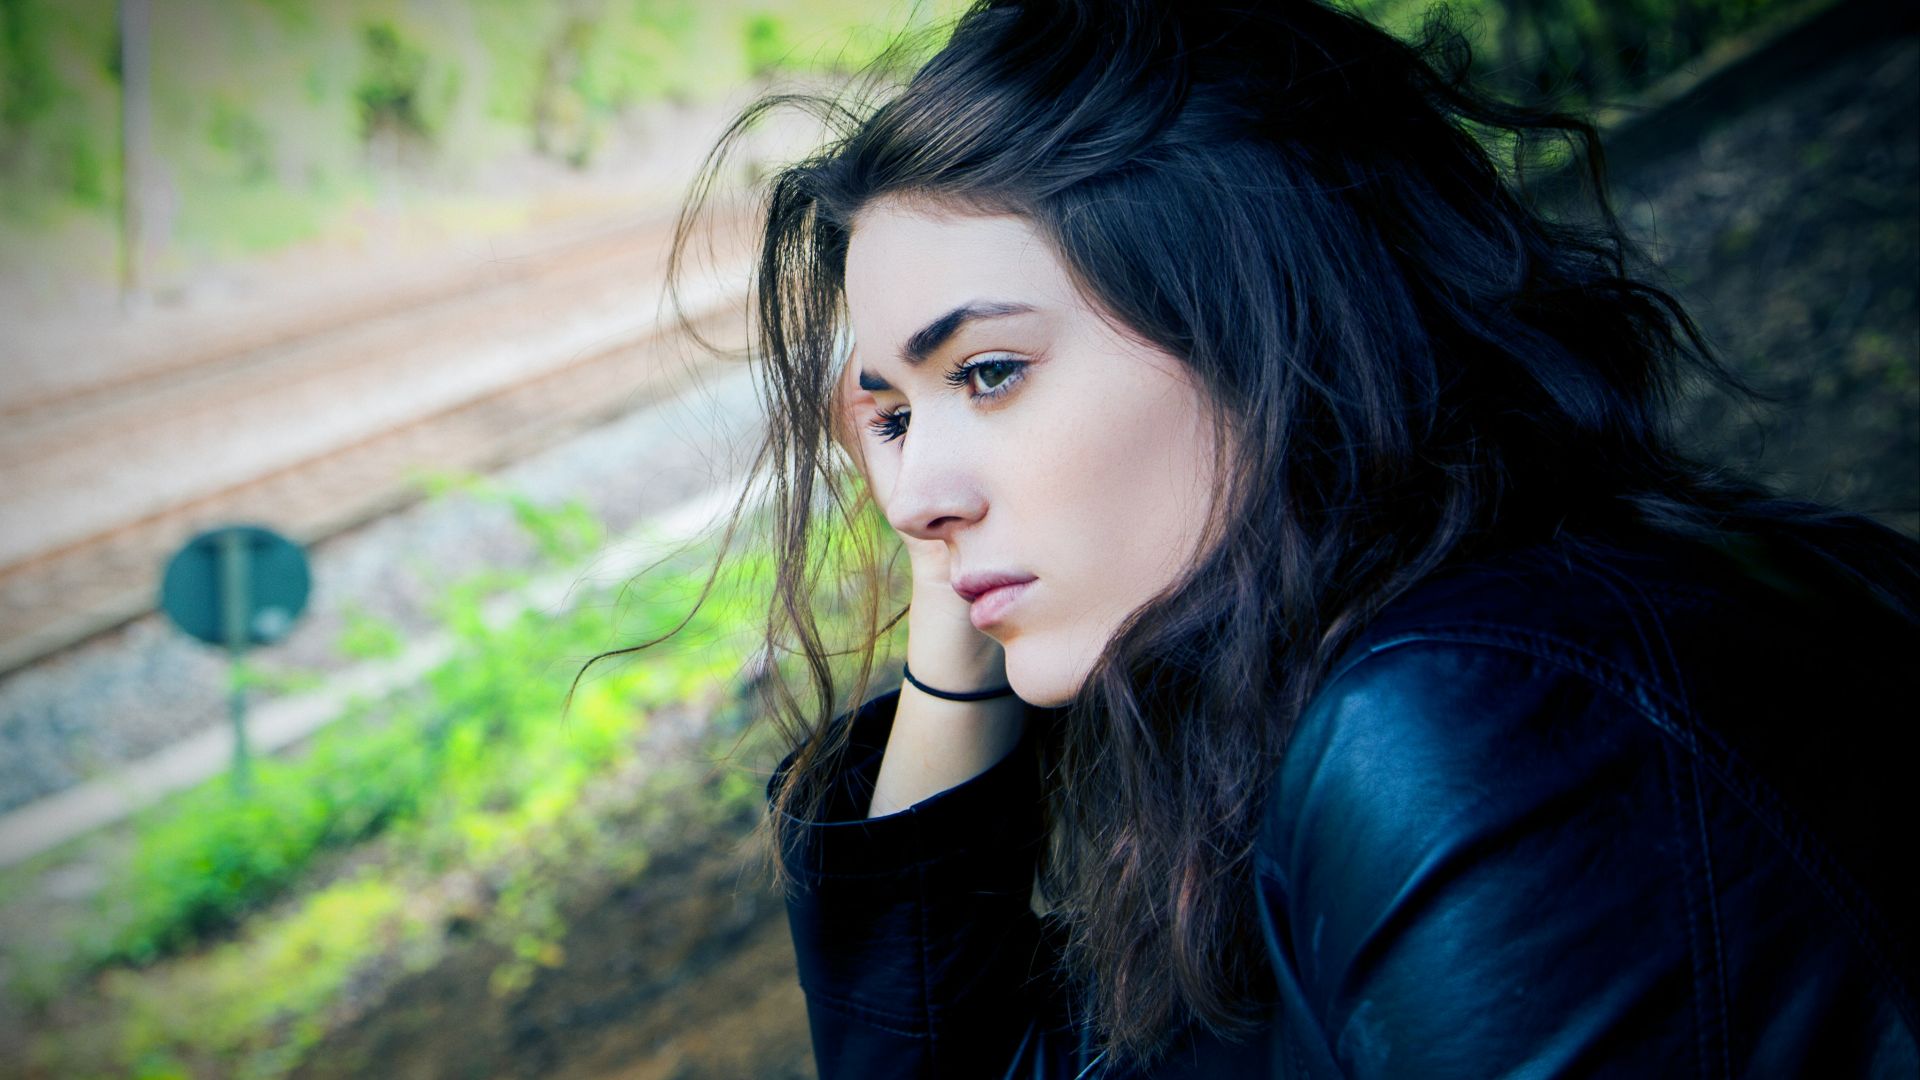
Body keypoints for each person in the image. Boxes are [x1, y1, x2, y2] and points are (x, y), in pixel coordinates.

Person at [615, 0, 1920, 1075]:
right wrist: (959, 606)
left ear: (1258, 325)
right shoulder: (1314, 706)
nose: (911, 496)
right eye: (890, 414)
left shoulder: (1479, 727)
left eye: (993, 372)